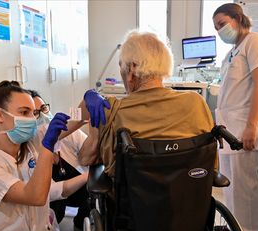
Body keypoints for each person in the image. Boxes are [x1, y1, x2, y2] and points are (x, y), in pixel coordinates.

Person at [82, 30, 215, 177]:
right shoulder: (196, 103)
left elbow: (86, 158)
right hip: (187, 196)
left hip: (132, 199)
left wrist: (94, 129)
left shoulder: (111, 110)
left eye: (121, 65)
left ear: (131, 69)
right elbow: (211, 161)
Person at [0, 81, 69, 231]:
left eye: (33, 113)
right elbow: (35, 197)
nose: (32, 119)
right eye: (24, 112)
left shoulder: (27, 145)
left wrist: (89, 98)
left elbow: (75, 122)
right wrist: (47, 147)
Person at [212, 3, 258, 231]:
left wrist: (250, 125)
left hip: (245, 126)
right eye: (216, 27)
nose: (219, 31)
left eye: (222, 24)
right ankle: (235, 225)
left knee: (244, 185)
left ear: (238, 18)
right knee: (231, 184)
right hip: (230, 129)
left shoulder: (256, 41)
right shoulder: (232, 52)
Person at [29, 89, 98, 231]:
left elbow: (77, 119)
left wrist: (88, 100)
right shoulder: (30, 145)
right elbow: (50, 192)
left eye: (44, 108)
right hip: (53, 196)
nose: (42, 115)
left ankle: (81, 222)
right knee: (54, 212)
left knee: (94, 194)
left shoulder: (64, 131)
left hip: (79, 189)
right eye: (35, 113)